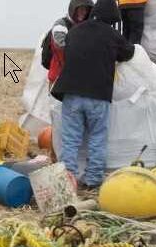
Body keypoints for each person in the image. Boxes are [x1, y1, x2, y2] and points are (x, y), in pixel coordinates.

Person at [52, 0, 135, 189]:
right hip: (98, 95)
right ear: (113, 18)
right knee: (97, 137)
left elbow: (68, 49)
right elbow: (128, 53)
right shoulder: (112, 35)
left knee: (71, 139)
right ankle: (93, 180)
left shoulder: (75, 31)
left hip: (71, 93)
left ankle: (67, 180)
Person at [48, 0, 94, 85]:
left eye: (86, 10)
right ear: (73, 9)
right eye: (81, 9)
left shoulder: (85, 28)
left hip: (76, 79)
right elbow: (60, 46)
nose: (84, 12)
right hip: (59, 78)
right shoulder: (61, 25)